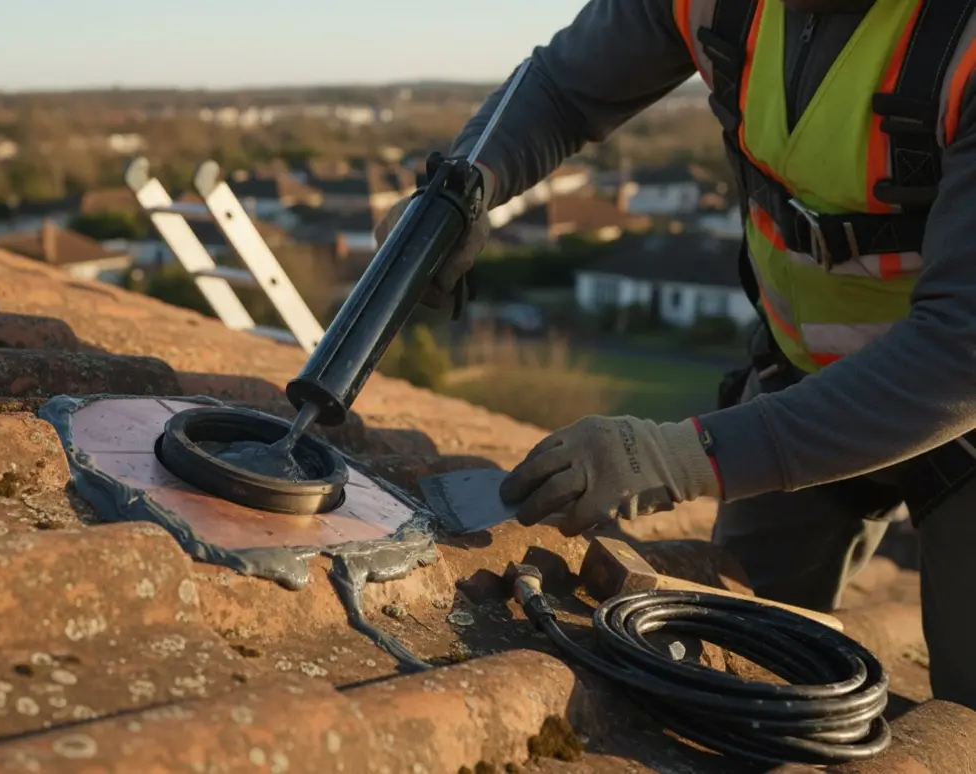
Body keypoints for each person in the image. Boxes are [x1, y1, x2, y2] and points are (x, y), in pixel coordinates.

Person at [374, 0, 976, 708]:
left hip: (958, 418)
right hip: (795, 384)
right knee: (732, 683)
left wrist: (685, 457)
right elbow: (565, 88)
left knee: (961, 721)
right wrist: (464, 187)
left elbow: (959, 347)